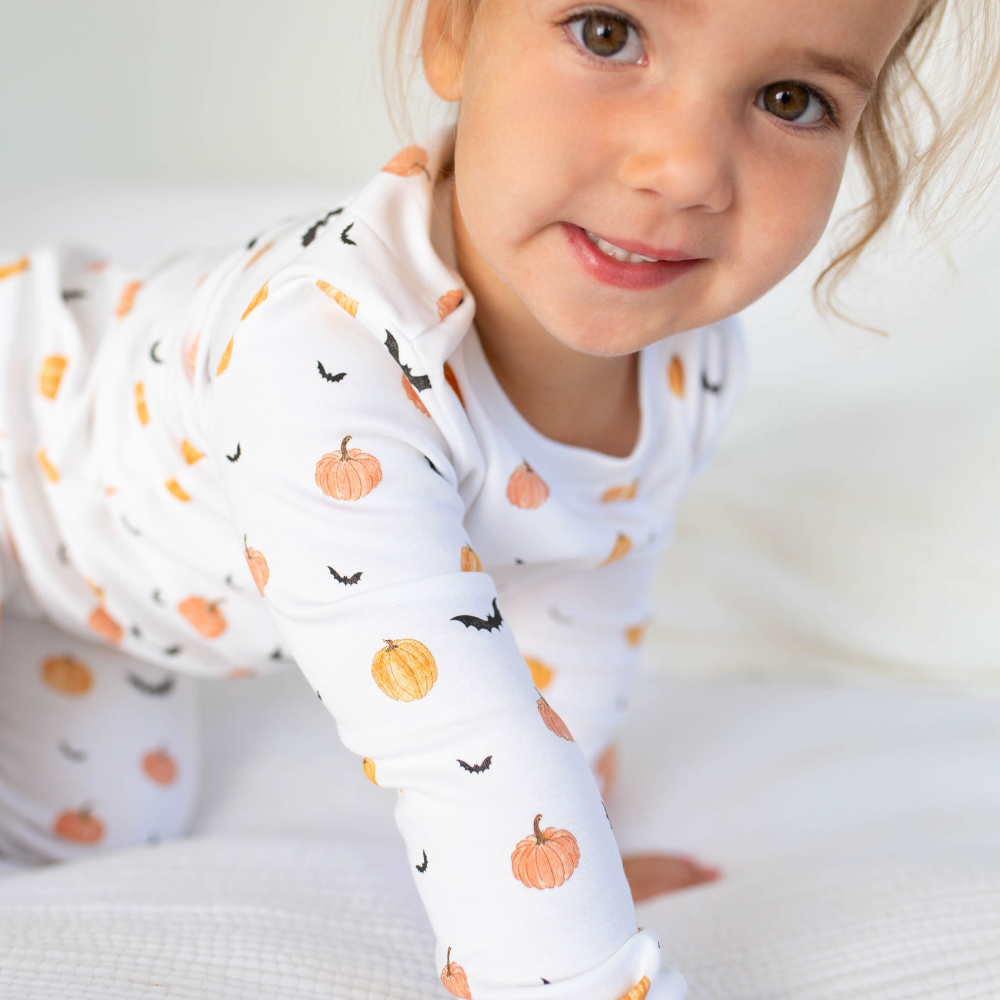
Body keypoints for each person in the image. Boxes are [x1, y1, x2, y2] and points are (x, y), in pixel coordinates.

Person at [0, 0, 997, 997]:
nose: (683, 166)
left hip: (88, 587)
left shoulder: (688, 361)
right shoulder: (323, 362)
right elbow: (459, 747)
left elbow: (589, 588)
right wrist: (569, 963)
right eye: (607, 34)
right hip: (18, 440)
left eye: (791, 99)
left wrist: (568, 858)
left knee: (95, 833)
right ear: (450, 32)